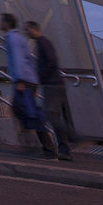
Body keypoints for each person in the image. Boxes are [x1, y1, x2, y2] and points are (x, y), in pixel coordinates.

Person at [0, 13, 56, 158]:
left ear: (7, 23)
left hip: (23, 81)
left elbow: (18, 60)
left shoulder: (12, 39)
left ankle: (49, 148)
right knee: (25, 110)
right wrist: (34, 81)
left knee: (26, 112)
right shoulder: (20, 38)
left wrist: (20, 81)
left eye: (1, 21)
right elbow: (30, 60)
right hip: (29, 79)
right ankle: (46, 143)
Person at [24, 21, 73, 161]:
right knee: (55, 117)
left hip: (52, 85)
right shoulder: (42, 43)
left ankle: (72, 140)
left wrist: (40, 77)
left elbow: (51, 61)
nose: (26, 32)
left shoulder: (43, 43)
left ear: (34, 29)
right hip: (54, 84)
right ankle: (64, 150)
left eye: (27, 30)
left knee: (50, 116)